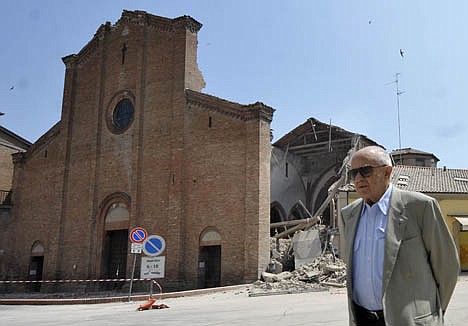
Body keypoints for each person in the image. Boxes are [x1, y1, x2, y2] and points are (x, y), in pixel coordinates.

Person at [340, 146, 459, 326]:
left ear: (387, 172)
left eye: (365, 171)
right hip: (362, 318)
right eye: (353, 173)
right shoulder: (348, 214)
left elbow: (447, 266)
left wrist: (433, 313)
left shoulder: (420, 207)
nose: (358, 179)